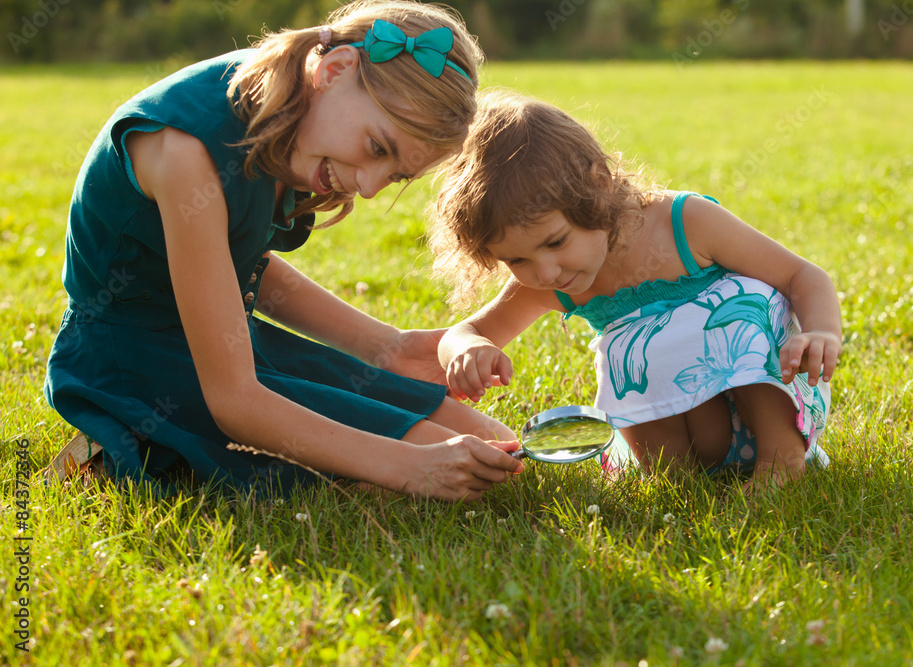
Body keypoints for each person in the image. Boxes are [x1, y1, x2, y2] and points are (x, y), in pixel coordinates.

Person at [43, 0, 523, 501]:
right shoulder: (185, 150)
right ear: (335, 71)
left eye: (395, 174)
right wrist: (405, 466)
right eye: (379, 148)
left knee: (490, 441)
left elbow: (242, 264)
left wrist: (390, 347)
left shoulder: (287, 107)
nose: (370, 187)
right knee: (444, 461)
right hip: (136, 361)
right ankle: (125, 434)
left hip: (228, 340)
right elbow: (234, 401)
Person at [430, 90, 842, 487]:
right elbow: (465, 332)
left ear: (599, 186)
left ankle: (780, 463)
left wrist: (821, 332)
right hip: (695, 438)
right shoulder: (551, 281)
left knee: (738, 303)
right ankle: (675, 479)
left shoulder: (684, 223)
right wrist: (467, 349)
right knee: (627, 345)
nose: (546, 272)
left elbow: (801, 276)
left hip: (764, 403)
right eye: (515, 260)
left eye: (555, 242)